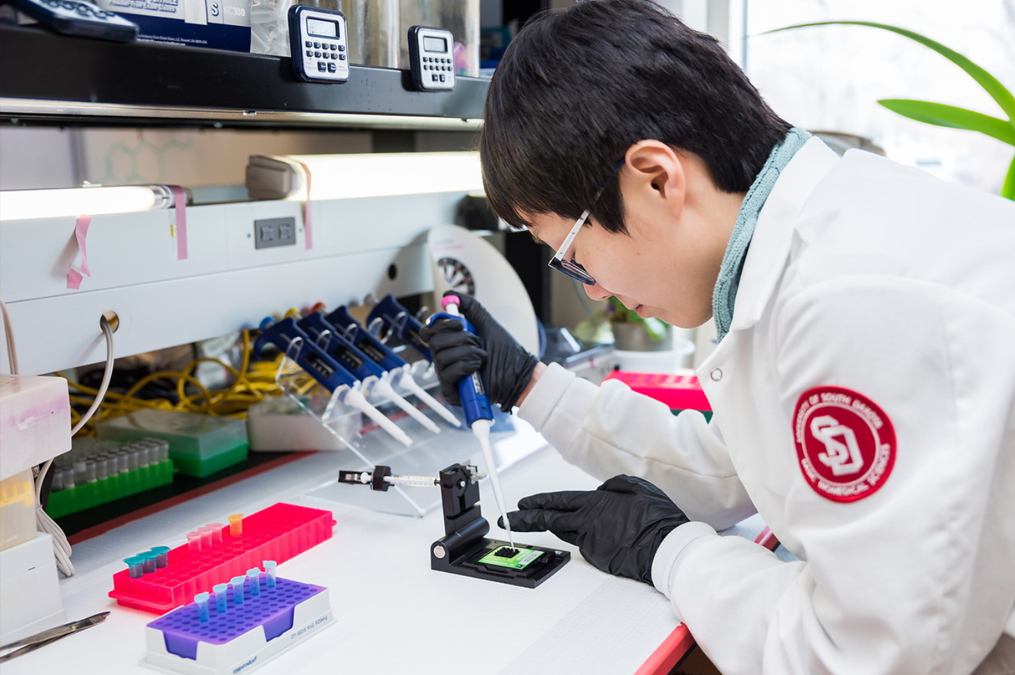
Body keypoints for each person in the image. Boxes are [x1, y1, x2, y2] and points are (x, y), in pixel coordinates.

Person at [418, 1, 1015, 674]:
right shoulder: (817, 234)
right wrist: (531, 385)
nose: (593, 290)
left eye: (575, 255)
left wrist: (670, 552)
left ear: (656, 178)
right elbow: (737, 469)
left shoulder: (850, 299)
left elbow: (855, 658)